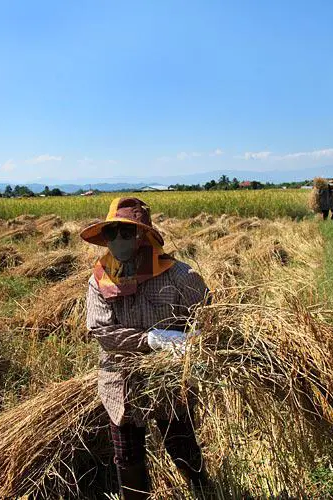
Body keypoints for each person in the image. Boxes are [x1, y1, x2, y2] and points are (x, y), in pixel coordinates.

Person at [81, 197, 214, 499]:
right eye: (112, 233)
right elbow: (101, 331)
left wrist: (196, 342)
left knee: (181, 443)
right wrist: (150, 340)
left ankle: (203, 489)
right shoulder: (100, 279)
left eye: (126, 232)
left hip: (168, 377)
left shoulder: (179, 275)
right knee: (127, 456)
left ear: (143, 235)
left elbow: (209, 315)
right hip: (120, 379)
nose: (117, 240)